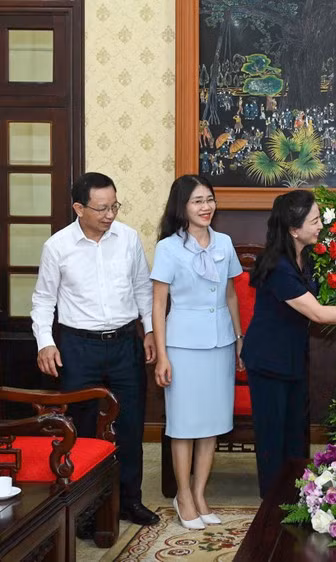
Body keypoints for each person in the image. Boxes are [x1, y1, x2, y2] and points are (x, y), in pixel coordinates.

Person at [241, 190, 336, 498]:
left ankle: (298, 494)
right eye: (314, 221)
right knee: (273, 437)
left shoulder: (305, 257)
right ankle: (273, 501)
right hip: (269, 360)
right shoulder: (277, 266)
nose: (320, 226)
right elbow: (318, 313)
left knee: (296, 433)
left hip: (293, 357)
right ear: (292, 228)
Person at [31, 172, 159, 526]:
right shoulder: (58, 246)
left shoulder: (128, 238)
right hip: (78, 347)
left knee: (131, 424)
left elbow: (142, 290)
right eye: (101, 208)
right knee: (82, 428)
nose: (110, 214)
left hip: (123, 344)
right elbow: (43, 301)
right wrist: (45, 342)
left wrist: (149, 331)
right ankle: (87, 510)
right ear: (78, 208)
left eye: (114, 205)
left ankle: (130, 501)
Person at [150, 175, 243, 529]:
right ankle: (183, 495)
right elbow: (159, 306)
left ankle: (200, 493)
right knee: (185, 424)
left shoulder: (225, 242)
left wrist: (238, 336)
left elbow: (231, 294)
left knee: (211, 424)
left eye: (209, 199)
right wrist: (162, 355)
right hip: (182, 345)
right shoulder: (168, 248)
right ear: (182, 207)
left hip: (219, 342)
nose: (206, 207)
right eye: (197, 201)